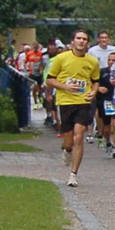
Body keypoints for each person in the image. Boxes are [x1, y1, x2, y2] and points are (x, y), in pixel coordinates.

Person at [45, 31, 100, 187]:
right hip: (65, 102)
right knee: (69, 142)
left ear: (88, 43)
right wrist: (66, 86)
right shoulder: (61, 59)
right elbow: (49, 80)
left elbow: (95, 81)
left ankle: (73, 174)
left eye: (84, 39)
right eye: (79, 39)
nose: (81, 42)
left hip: (83, 101)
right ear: (73, 41)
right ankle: (67, 150)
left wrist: (94, 91)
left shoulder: (92, 61)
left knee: (79, 136)